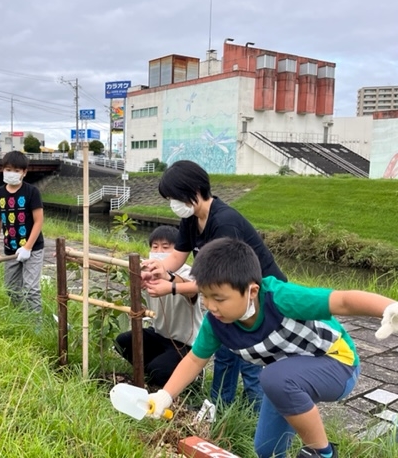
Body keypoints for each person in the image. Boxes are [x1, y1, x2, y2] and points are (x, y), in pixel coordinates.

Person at [146, 237, 398, 458]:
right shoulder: (216, 324)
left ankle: (323, 452)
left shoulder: (280, 298)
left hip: (338, 365)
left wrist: (389, 308)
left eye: (219, 298)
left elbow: (342, 301)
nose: (210, 306)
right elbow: (193, 360)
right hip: (287, 378)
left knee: (274, 377)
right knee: (267, 449)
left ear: (252, 290)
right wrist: (164, 396)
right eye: (205, 296)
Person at [143, 160, 288, 411]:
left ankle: (256, 415)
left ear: (195, 190)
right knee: (225, 353)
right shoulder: (192, 218)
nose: (173, 204)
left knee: (250, 359)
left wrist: (173, 288)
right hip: (229, 296)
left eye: (175, 197)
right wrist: (160, 268)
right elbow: (179, 255)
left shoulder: (224, 223)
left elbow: (214, 280)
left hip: (258, 298)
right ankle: (221, 407)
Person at [115, 225, 203, 387]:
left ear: (178, 250)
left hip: (186, 343)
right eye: (155, 247)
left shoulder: (186, 274)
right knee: (123, 342)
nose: (159, 251)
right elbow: (113, 268)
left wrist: (169, 280)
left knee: (159, 370)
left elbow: (192, 291)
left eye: (165, 247)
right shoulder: (147, 272)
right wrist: (78, 259)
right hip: (159, 334)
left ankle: (192, 377)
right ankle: (154, 370)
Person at [0, 151, 44, 314]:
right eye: (8, 169)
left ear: (24, 172)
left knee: (31, 289)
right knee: (11, 288)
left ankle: (36, 324)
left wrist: (27, 247)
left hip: (33, 249)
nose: (12, 173)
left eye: (17, 170)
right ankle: (22, 316)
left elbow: (39, 221)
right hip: (10, 248)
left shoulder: (31, 192)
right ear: (3, 170)